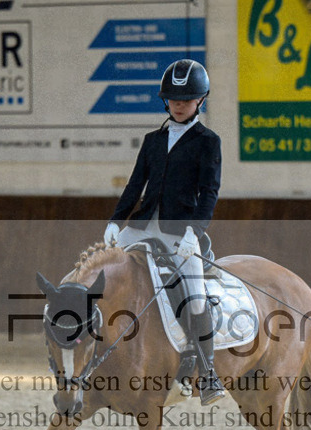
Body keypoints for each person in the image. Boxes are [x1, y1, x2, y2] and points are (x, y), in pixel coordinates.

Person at [104, 59, 224, 405]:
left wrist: (194, 233)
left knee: (195, 296)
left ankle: (207, 369)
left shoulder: (207, 141)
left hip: (180, 232)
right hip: (142, 227)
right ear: (165, 100)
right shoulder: (152, 140)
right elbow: (135, 184)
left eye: (187, 99)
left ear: (201, 100)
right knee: (101, 270)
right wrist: (116, 221)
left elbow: (210, 192)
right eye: (173, 98)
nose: (179, 104)